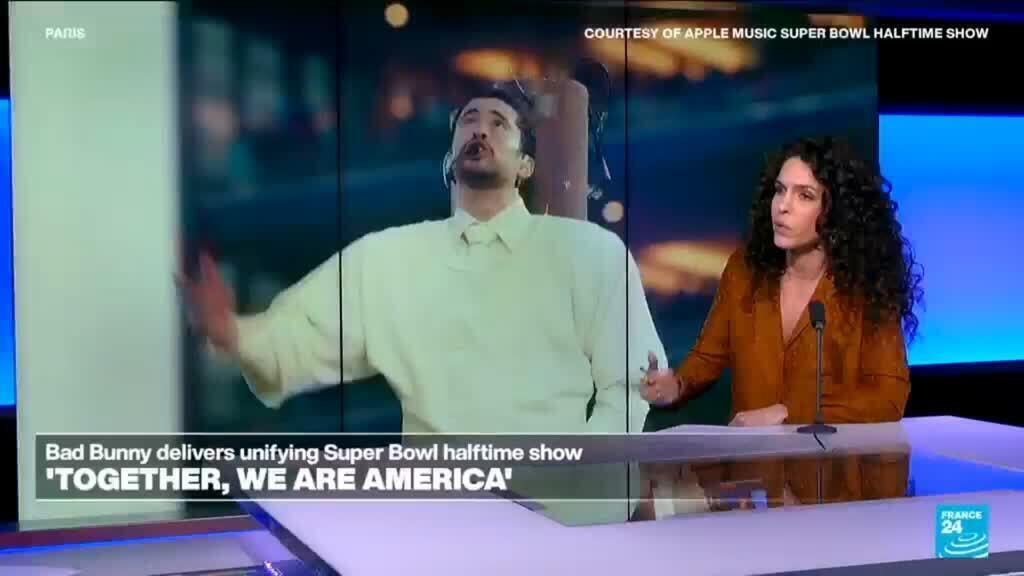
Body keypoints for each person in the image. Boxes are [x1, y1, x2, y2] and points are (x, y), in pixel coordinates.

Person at [181, 83, 667, 434]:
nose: (480, 131)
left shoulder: (589, 253)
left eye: (498, 124)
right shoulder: (388, 258)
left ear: (526, 165)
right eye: (469, 122)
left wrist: (583, 488)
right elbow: (300, 340)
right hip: (437, 515)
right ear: (449, 158)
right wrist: (233, 333)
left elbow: (631, 386)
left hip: (557, 514)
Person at [642, 136, 923, 426]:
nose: (782, 206)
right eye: (780, 190)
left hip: (830, 455)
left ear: (837, 211)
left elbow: (888, 398)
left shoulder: (865, 283)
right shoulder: (745, 270)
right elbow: (707, 357)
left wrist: (787, 415)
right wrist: (674, 386)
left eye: (805, 196)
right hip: (750, 454)